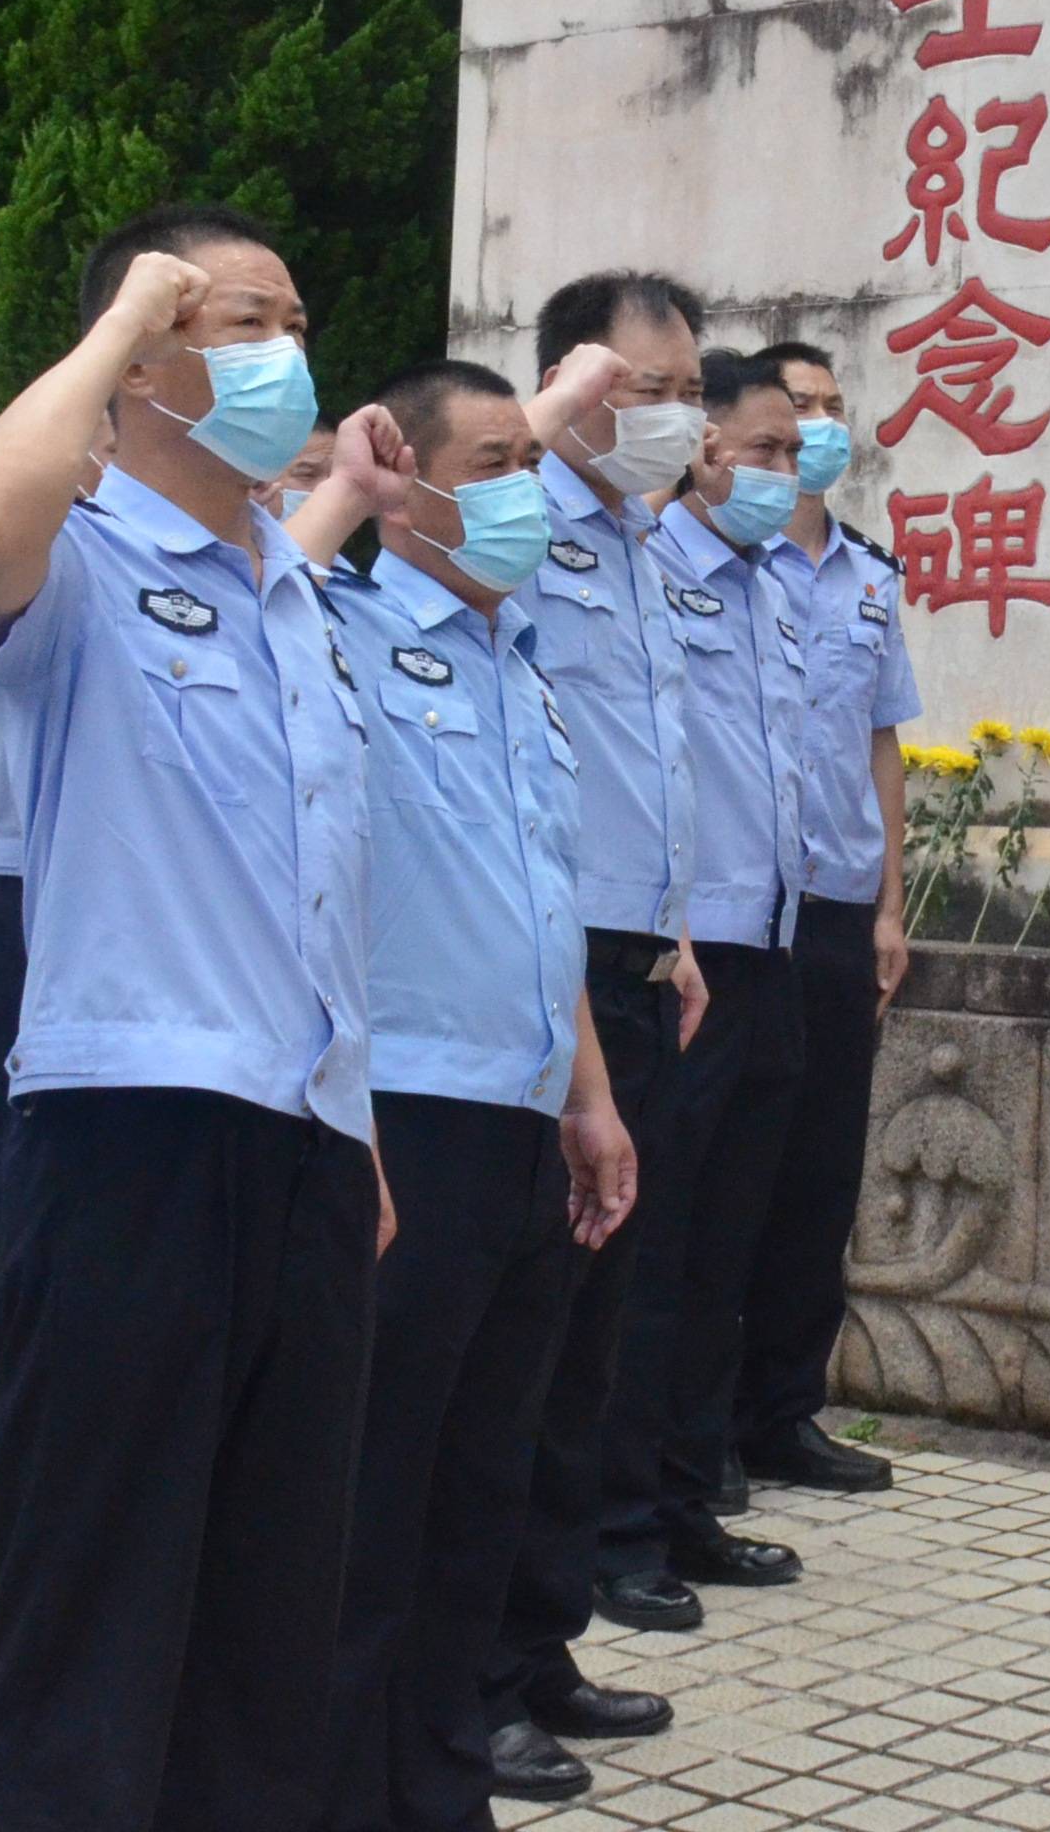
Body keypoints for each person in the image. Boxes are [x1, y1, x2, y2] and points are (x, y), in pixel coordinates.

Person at [0, 208, 379, 1831]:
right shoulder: (83, 560)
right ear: (142, 358)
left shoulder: (290, 593)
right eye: (238, 320)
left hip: (307, 1146)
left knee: (268, 1617)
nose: (286, 352)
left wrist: (360, 1125)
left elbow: (319, 896)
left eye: (291, 315)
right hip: (129, 1138)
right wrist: (123, 308)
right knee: (95, 1606)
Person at [290, 360, 644, 1828]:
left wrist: (592, 1097)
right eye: (493, 462)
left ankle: (440, 1781)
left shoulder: (522, 670)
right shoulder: (339, 635)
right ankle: (328, 1790)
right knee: (370, 1494)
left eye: (532, 461)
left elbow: (543, 908)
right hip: (401, 1121)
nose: (526, 492)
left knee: (475, 1483)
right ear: (407, 482)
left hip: (520, 1116)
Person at [491, 272, 720, 1738]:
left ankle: (537, 1649)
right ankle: (469, 1681)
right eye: (646, 388)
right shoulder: (511, 533)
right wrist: (535, 432)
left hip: (643, 972)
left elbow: (645, 770)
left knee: (589, 1349)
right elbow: (392, 566)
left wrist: (681, 933)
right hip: (540, 990)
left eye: (687, 386)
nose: (675, 417)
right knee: (512, 1352)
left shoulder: (644, 543)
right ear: (574, 387)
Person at [606, 355, 817, 1592]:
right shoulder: (644, 574)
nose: (782, 473)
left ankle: (688, 1502)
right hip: (684, 951)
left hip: (772, 947)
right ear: (701, 453)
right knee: (653, 1256)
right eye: (764, 450)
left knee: (723, 1250)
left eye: (793, 453)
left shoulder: (774, 587)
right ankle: (617, 1529)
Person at [722, 338, 913, 1499]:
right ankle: (696, 1431)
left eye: (834, 411)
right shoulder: (720, 569)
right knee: (724, 1176)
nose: (820, 433)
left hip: (838, 911)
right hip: (744, 914)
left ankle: (784, 1410)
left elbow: (880, 743)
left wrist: (892, 899)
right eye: (797, 411)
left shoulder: (870, 575)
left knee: (816, 1177)